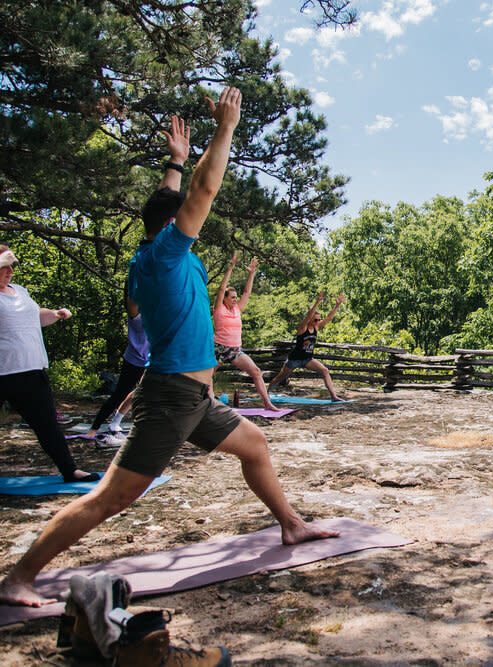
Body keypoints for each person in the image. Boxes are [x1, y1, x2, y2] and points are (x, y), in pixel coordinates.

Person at [0, 90, 339, 608]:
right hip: (173, 395)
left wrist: (175, 161)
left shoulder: (146, 254)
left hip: (195, 399)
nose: (193, 221)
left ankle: (290, 524)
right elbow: (203, 191)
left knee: (255, 446)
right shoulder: (164, 254)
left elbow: (166, 202)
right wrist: (225, 128)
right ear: (172, 224)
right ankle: (19, 576)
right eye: (183, 215)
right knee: (112, 497)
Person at [0, 247, 98, 483]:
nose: (10, 272)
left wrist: (54, 313)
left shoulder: (20, 291)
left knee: (47, 425)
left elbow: (34, 316)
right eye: (4, 267)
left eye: (11, 267)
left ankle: (69, 470)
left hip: (31, 370)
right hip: (3, 372)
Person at [82, 286, 148, 447]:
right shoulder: (136, 314)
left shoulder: (156, 312)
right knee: (120, 394)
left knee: (142, 392)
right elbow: (132, 298)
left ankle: (116, 423)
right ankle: (94, 428)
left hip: (151, 360)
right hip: (134, 361)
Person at [213, 252, 278, 411]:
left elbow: (247, 292)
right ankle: (207, 404)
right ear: (225, 298)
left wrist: (252, 273)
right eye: (232, 297)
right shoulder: (219, 309)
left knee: (256, 371)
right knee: (206, 376)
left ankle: (268, 404)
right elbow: (222, 288)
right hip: (218, 348)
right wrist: (231, 268)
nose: (235, 299)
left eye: (236, 297)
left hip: (235, 350)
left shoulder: (237, 309)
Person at [267, 291, 347, 401]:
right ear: (309, 319)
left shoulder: (316, 327)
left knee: (325, 371)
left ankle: (333, 396)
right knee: (281, 376)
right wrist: (317, 302)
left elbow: (328, 318)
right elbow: (309, 316)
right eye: (315, 320)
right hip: (294, 359)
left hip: (307, 359)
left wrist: (337, 305)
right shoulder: (302, 328)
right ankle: (266, 392)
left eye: (319, 319)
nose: (318, 321)